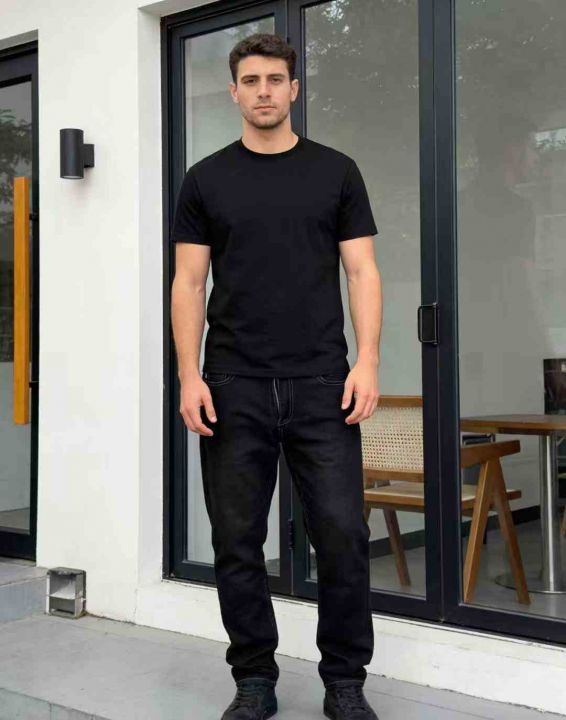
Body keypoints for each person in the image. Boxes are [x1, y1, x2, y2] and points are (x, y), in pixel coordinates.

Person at [170, 32, 382, 720]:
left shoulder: (336, 171)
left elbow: (362, 271)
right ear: (234, 92)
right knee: (237, 542)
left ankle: (344, 683)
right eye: (251, 80)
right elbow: (188, 282)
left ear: (294, 89)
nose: (263, 91)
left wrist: (368, 361)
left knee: (343, 536)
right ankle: (254, 681)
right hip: (232, 385)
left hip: (323, 384)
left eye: (275, 79)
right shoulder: (205, 179)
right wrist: (189, 375)